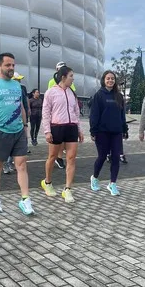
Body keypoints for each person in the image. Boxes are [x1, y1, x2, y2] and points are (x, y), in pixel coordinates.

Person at [0, 52, 35, 215]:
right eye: (8, 65)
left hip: (18, 130)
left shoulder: (17, 86)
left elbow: (22, 107)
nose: (11, 68)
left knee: (22, 165)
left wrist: (25, 126)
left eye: (13, 65)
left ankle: (25, 199)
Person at [41, 66, 84, 203]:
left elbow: (76, 113)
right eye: (71, 76)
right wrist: (47, 131)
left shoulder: (72, 93)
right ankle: (47, 182)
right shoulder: (51, 92)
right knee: (52, 156)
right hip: (56, 127)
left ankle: (67, 189)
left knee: (71, 158)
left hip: (71, 128)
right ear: (63, 77)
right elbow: (46, 113)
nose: (73, 79)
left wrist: (79, 130)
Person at [89, 70, 128, 196]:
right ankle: (95, 178)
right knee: (102, 156)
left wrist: (124, 129)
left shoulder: (119, 96)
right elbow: (94, 115)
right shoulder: (99, 95)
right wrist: (93, 131)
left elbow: (122, 115)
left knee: (116, 157)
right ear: (104, 80)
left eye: (112, 78)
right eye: (108, 78)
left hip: (116, 132)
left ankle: (112, 183)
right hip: (102, 132)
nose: (110, 80)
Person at [48, 61, 76, 169]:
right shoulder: (52, 82)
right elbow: (50, 101)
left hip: (69, 119)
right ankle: (58, 158)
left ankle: (61, 157)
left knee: (67, 146)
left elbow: (73, 95)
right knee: (55, 147)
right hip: (57, 119)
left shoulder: (70, 83)